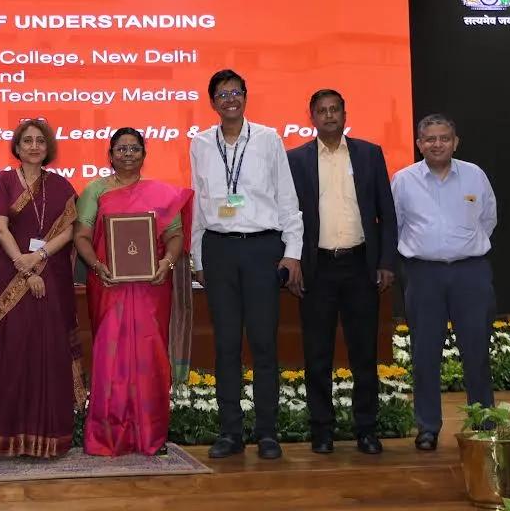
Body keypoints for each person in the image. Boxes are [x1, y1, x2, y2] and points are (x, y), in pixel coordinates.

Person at [189, 69, 302, 460]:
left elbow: (287, 199)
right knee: (225, 346)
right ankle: (230, 432)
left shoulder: (268, 138)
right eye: (222, 95)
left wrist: (292, 252)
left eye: (236, 92)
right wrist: (198, 257)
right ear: (212, 102)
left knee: (264, 343)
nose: (230, 99)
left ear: (246, 96)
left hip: (262, 249)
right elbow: (199, 202)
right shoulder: (201, 143)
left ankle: (267, 433)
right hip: (219, 250)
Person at [286, 89, 397, 455]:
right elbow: (288, 216)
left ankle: (366, 429)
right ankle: (322, 430)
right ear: (312, 118)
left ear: (345, 114)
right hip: (317, 269)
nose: (329, 115)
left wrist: (385, 262)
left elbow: (386, 213)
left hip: (360, 266)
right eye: (322, 110)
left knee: (364, 354)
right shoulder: (296, 160)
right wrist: (293, 261)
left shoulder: (369, 154)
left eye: (335, 109)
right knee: (317, 354)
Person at [73, 128, 193, 457]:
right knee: (110, 359)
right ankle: (107, 436)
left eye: (134, 148)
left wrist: (167, 263)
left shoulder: (161, 193)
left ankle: (150, 434)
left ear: (144, 154)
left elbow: (175, 236)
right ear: (110, 155)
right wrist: (97, 266)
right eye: (121, 149)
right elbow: (81, 236)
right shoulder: (95, 190)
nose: (128, 154)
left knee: (150, 357)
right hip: (108, 285)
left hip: (152, 287)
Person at [391, 113, 498, 451]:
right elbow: (395, 225)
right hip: (424, 275)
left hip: (471, 273)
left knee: (476, 351)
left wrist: (459, 250)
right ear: (419, 144)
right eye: (430, 139)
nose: (437, 144)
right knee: (424, 354)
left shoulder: (475, 175)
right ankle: (427, 427)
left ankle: (484, 423)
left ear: (455, 142)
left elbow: (488, 219)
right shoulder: (403, 180)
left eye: (444, 138)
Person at [0, 119, 82, 458]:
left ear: (48, 147)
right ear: (17, 146)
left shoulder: (61, 186)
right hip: (10, 273)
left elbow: (69, 231)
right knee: (13, 352)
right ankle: (6, 437)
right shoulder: (4, 180)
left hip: (51, 274)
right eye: (27, 140)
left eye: (40, 140)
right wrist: (23, 266)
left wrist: (38, 256)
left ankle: (49, 438)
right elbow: (0, 227)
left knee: (48, 354)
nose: (34, 146)